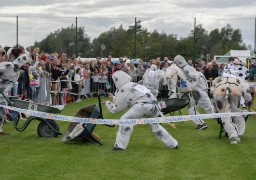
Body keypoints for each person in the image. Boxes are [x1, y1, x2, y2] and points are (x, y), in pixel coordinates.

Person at [105, 70, 178, 151]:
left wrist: (108, 104)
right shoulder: (135, 85)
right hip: (154, 106)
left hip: (142, 107)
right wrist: (114, 98)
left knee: (125, 121)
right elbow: (129, 100)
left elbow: (117, 109)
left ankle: (120, 146)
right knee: (156, 126)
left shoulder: (124, 89)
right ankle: (173, 144)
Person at [173, 55, 214, 130]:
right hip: (199, 92)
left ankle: (224, 120)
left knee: (208, 110)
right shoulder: (186, 68)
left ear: (178, 62)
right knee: (195, 109)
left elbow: (196, 77)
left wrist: (191, 88)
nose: (175, 65)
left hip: (199, 93)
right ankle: (202, 124)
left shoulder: (185, 69)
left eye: (176, 63)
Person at [210, 76, 252, 144]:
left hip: (221, 92)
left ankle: (234, 135)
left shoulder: (218, 79)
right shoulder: (239, 80)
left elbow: (211, 92)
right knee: (235, 111)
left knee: (226, 114)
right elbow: (247, 93)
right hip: (232, 91)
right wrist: (249, 104)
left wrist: (215, 108)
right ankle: (236, 134)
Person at [0, 54, 30, 135]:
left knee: (2, 113)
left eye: (29, 64)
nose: (28, 66)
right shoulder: (9, 65)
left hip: (3, 95)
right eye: (26, 63)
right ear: (21, 61)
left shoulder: (18, 72)